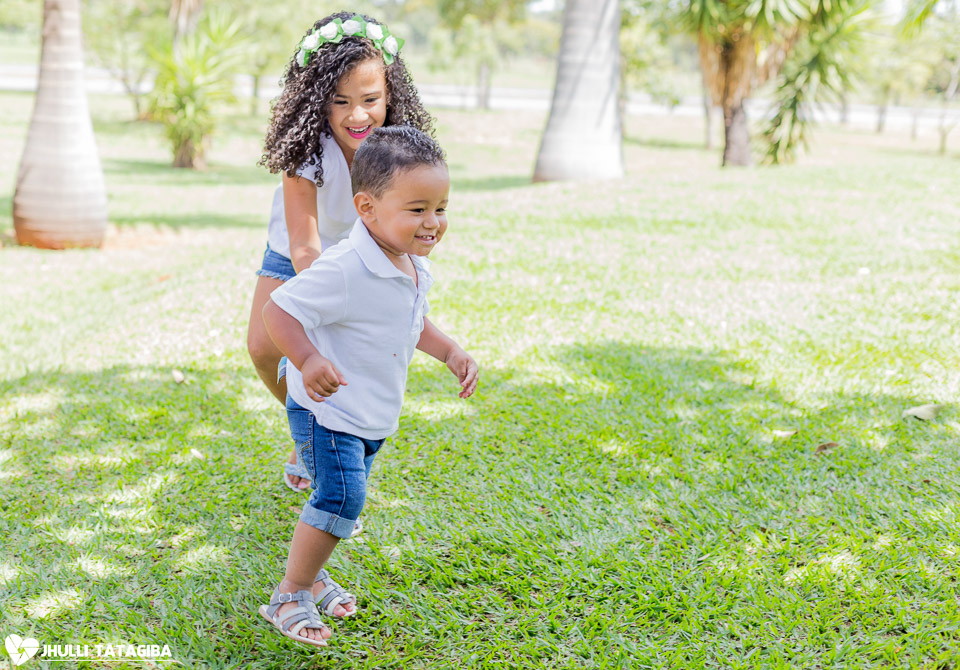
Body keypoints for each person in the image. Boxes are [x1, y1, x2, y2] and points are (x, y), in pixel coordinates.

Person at [257, 126, 478, 647]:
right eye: (417, 209)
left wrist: (449, 351)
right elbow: (278, 309)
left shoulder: (411, 263)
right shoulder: (345, 267)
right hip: (327, 412)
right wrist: (307, 359)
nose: (433, 223)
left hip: (368, 412)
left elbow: (410, 320)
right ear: (367, 207)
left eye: (440, 207)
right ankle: (290, 593)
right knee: (342, 498)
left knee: (337, 501)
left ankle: (312, 574)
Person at [246, 11, 434, 494]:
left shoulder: (398, 150)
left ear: (390, 95)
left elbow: (415, 215)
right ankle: (309, 431)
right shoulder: (305, 148)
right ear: (317, 100)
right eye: (340, 101)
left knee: (352, 353)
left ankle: (326, 442)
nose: (357, 115)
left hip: (366, 256)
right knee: (266, 347)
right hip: (299, 252)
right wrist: (322, 300)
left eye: (370, 100)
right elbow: (305, 243)